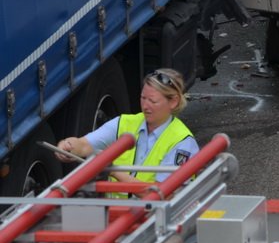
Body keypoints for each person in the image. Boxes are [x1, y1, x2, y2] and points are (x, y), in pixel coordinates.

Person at [54, 68, 199, 187]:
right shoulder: (125, 123)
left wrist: (112, 170)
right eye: (143, 98)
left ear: (173, 102)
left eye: (153, 101)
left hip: (155, 217)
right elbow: (85, 144)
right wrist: (68, 146)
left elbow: (162, 194)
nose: (145, 106)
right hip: (116, 214)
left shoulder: (182, 142)